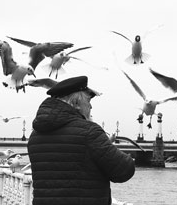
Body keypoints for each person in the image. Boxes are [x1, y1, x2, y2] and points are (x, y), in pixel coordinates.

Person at [28, 76, 135, 205]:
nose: (91, 106)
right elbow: (123, 171)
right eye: (89, 101)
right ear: (77, 104)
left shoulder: (35, 135)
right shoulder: (89, 132)